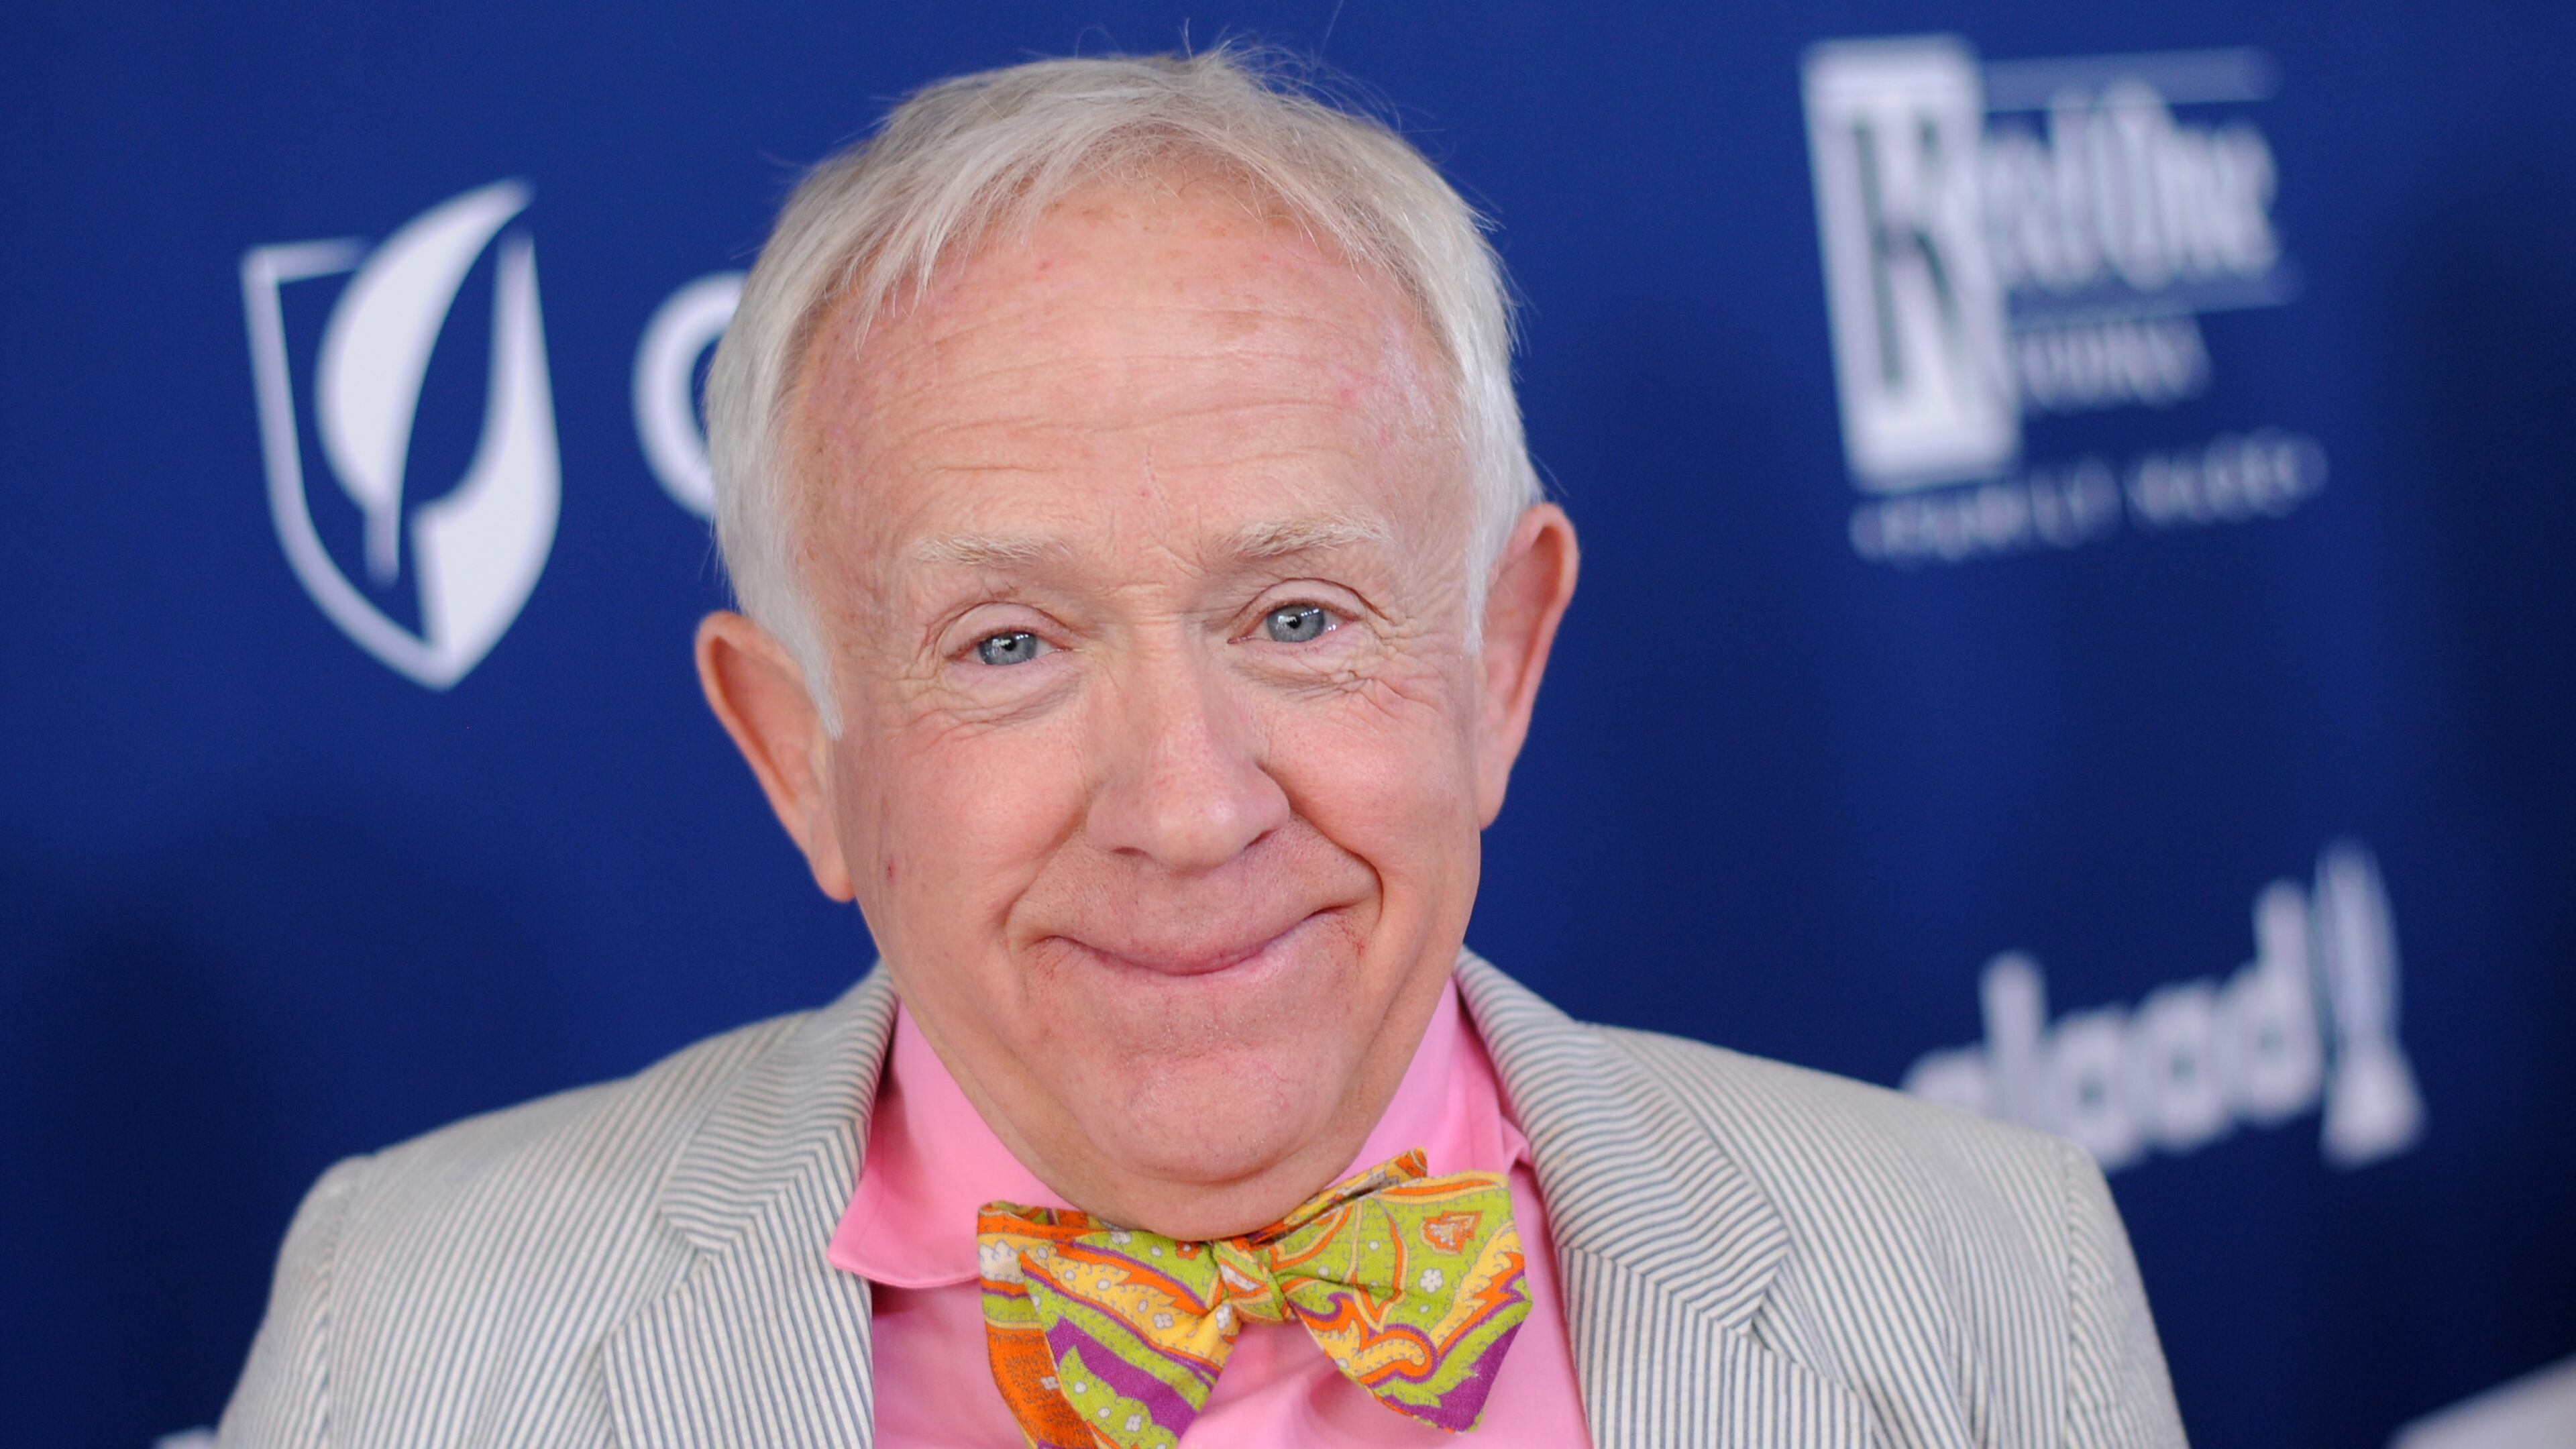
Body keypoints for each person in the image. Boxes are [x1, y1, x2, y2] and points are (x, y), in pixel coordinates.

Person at [221, 48, 2186, 1449]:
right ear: (797, 750)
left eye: (1300, 617)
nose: (1185, 808)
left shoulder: (1993, 1276)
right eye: (1007, 641)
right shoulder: (401, 1339)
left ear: (1499, 662)